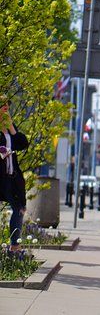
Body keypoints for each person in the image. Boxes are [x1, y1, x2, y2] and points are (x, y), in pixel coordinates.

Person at [0, 97, 30, 252]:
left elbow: (23, 144)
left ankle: (15, 247)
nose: (6, 108)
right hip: (0, 178)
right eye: (3, 106)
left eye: (7, 106)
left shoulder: (8, 127)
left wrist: (11, 126)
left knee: (19, 209)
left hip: (11, 178)